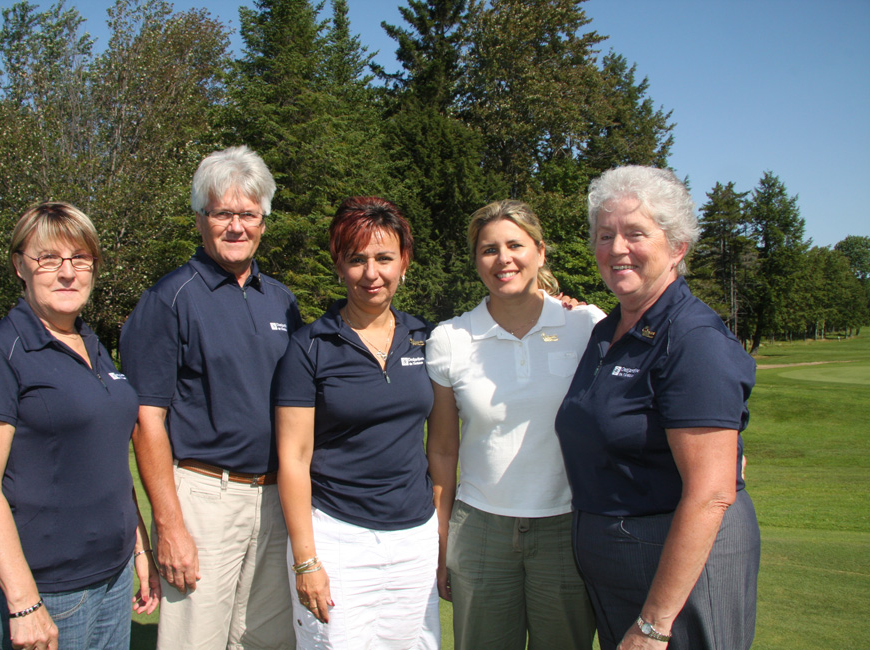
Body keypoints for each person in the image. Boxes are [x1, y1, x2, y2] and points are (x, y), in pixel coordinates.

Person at [555, 166, 760, 650]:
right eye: (606, 235)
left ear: (678, 246)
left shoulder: (692, 339)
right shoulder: (608, 333)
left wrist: (653, 625)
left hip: (677, 574)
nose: (617, 248)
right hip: (619, 567)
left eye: (636, 233)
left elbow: (711, 493)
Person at [0, 202, 160, 650]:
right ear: (19, 266)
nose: (67, 272)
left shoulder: (94, 345)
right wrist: (24, 604)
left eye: (80, 258)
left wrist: (140, 549)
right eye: (48, 258)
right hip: (51, 590)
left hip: (114, 576)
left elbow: (109, 463)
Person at [120, 145, 300, 650]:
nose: (236, 226)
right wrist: (169, 524)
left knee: (264, 641)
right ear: (200, 219)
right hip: (204, 498)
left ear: (264, 221)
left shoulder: (282, 301)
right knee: (195, 642)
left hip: (274, 499)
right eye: (223, 213)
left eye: (249, 214)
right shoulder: (168, 299)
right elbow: (145, 421)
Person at [425, 200, 600, 650]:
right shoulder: (450, 339)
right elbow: (443, 451)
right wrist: (442, 539)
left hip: (567, 528)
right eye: (488, 249)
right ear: (476, 262)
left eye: (515, 245)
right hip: (480, 529)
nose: (503, 258)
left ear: (540, 252)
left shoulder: (586, 324)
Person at [275, 196, 440, 649]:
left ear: (404, 262)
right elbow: (294, 458)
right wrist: (307, 561)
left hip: (415, 538)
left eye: (384, 258)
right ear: (339, 265)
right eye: (357, 259)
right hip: (337, 536)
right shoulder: (309, 346)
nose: (372, 273)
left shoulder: (426, 338)